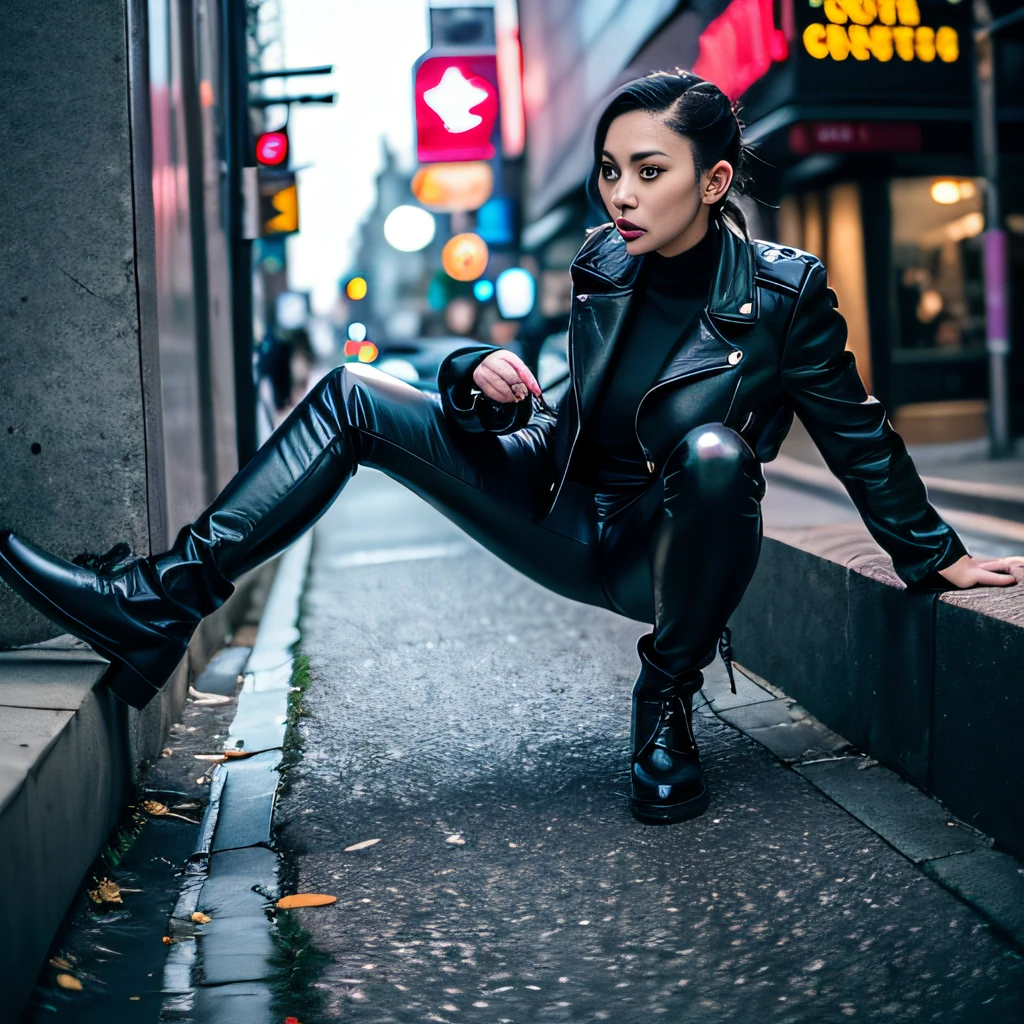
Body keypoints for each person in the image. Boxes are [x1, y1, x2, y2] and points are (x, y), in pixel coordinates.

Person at [2, 70, 1020, 826]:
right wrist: (470, 374)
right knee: (353, 394)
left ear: (714, 181)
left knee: (716, 456)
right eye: (611, 171)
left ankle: (663, 698)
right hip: (555, 502)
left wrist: (934, 555)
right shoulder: (603, 264)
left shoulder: (784, 296)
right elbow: (558, 413)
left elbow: (854, 431)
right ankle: (156, 603)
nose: (620, 195)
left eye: (648, 172)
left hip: (659, 548)